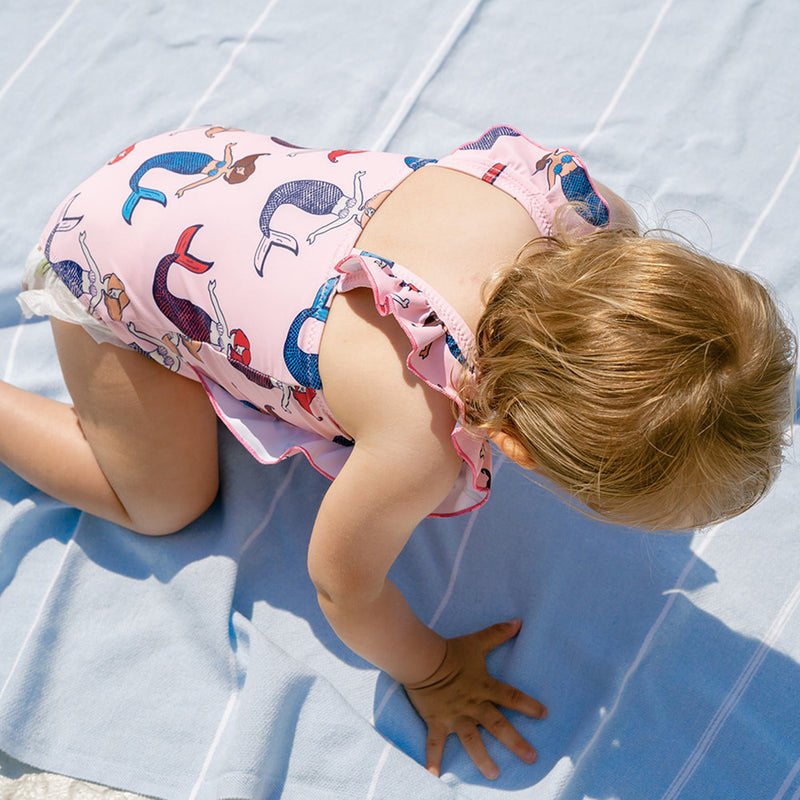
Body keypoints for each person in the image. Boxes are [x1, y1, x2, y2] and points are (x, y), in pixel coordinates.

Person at [4, 124, 796, 780]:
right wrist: (436, 671)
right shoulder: (419, 437)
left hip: (200, 167)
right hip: (104, 261)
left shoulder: (575, 206)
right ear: (513, 447)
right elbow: (342, 585)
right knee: (164, 503)